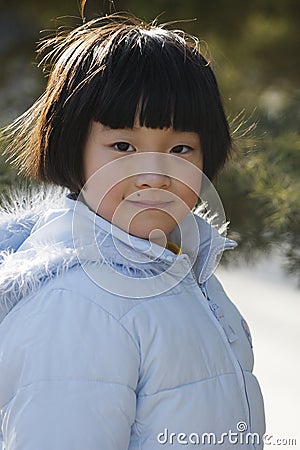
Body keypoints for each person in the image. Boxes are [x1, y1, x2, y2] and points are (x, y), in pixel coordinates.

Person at [0, 13, 265, 449]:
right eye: (123, 147)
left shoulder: (188, 275)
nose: (154, 175)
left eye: (180, 149)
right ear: (71, 144)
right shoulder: (77, 306)